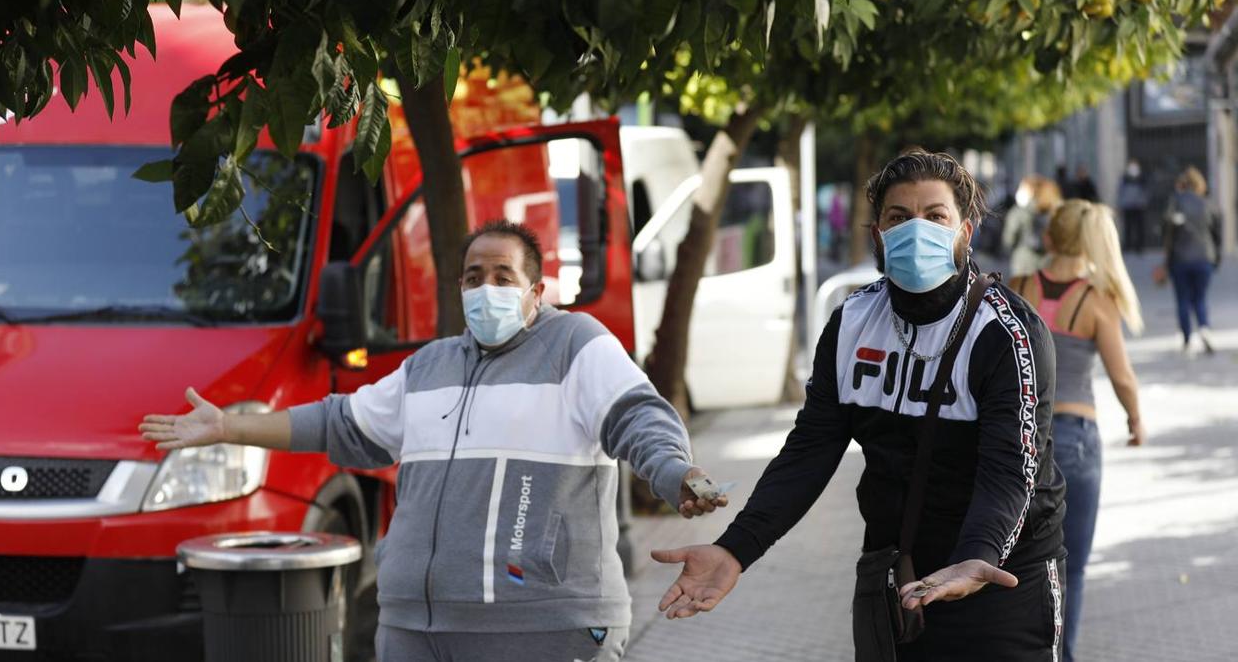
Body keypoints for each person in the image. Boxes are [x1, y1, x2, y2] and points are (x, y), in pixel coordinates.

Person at [140, 220, 727, 662]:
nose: (486, 289)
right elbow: (340, 422)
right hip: (415, 630)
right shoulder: (430, 366)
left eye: (504, 277)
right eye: (474, 278)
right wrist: (227, 427)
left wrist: (676, 473)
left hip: (543, 626)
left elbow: (637, 417)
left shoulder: (576, 345)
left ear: (537, 291)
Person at [652, 151, 1066, 661]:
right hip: (898, 579)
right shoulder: (852, 322)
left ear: (966, 231)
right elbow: (810, 449)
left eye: (935, 216)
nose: (917, 230)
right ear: (877, 233)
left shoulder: (1007, 333)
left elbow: (1009, 471)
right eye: (899, 217)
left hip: (1000, 578)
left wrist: (976, 557)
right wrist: (736, 548)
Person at [1010, 199, 1146, 662]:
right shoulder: (1096, 300)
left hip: (1017, 437)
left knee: (1016, 558)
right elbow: (1122, 377)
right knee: (1073, 566)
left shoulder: (1019, 287)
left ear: (1048, 238)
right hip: (1074, 437)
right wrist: (1135, 419)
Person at [1161, 166, 1223, 356]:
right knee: (1200, 298)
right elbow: (1217, 233)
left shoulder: (1176, 203)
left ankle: (1187, 337)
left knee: (1183, 299)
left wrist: (1167, 258)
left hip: (1180, 259)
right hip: (1204, 258)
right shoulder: (1208, 204)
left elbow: (1167, 232)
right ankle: (1204, 327)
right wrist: (1216, 257)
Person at [1002, 175, 1062, 277]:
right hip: (1049, 264)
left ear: (1031, 191)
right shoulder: (1055, 210)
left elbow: (1008, 239)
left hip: (1023, 265)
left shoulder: (1019, 211)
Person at [1116, 160, 1149, 253]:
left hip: (1139, 206)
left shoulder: (1142, 178)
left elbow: (1146, 191)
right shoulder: (1124, 178)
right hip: (1128, 206)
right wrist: (1120, 204)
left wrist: (1144, 202)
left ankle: (1140, 246)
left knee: (1139, 227)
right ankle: (1128, 245)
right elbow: (1120, 192)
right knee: (1128, 227)